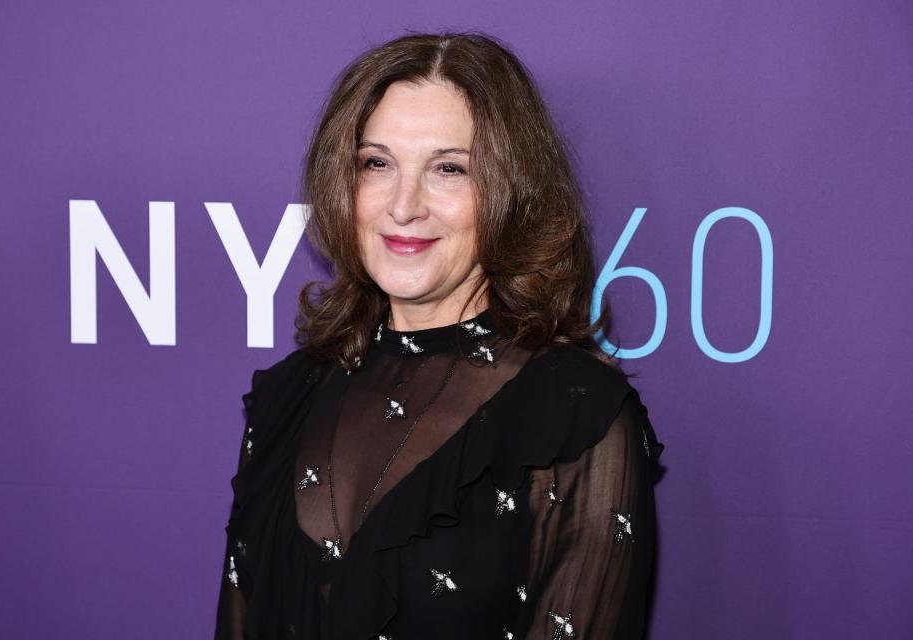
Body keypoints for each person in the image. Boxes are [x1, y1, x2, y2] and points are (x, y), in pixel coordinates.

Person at [214, 31, 664, 640]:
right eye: (377, 164)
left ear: (512, 193)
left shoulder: (574, 416)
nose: (404, 205)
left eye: (448, 169)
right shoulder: (286, 397)